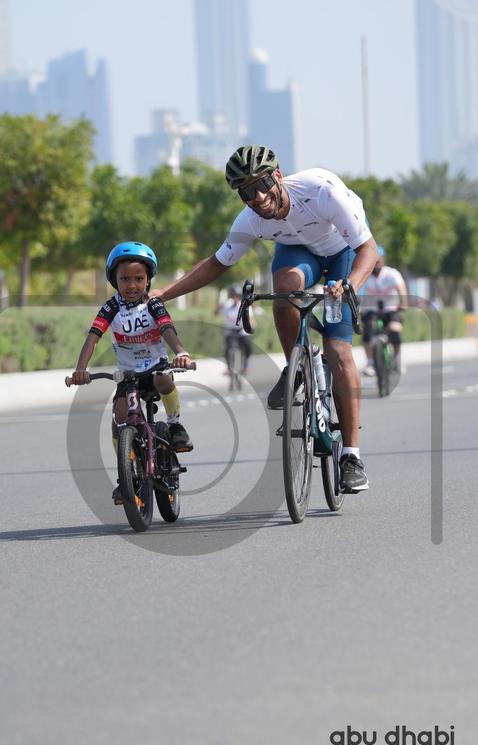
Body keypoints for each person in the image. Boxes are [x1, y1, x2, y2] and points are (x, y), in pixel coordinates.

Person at [155, 145, 380, 493]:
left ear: (277, 176)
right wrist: (163, 294)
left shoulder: (322, 191)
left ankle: (351, 457)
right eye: (246, 192)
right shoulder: (250, 220)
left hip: (343, 252)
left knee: (338, 350)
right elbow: (216, 264)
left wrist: (349, 284)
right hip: (299, 252)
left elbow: (369, 249)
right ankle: (296, 367)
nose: (257, 197)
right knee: (283, 288)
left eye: (261, 185)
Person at [70, 241, 195, 505]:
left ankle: (174, 424)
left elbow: (167, 329)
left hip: (156, 367)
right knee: (118, 419)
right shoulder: (110, 308)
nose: (132, 285)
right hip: (128, 375)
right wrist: (81, 369)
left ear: (148, 280)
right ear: (114, 280)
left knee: (163, 379)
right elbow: (93, 337)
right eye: (124, 279)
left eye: (139, 279)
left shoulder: (154, 305)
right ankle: (126, 476)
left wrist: (181, 352)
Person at [360, 245, 408, 376]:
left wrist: (403, 303)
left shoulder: (391, 274)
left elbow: (401, 288)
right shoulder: (365, 275)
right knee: (367, 331)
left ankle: (396, 359)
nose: (377, 262)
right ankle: (370, 363)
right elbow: (359, 292)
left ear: (383, 259)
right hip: (372, 311)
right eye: (374, 260)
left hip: (391, 310)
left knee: (395, 330)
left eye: (379, 259)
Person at [216, 284, 255, 375]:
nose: (235, 298)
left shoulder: (244, 305)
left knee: (247, 346)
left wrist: (252, 326)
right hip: (231, 330)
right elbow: (216, 313)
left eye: (237, 295)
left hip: (242, 330)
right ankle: (229, 367)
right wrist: (220, 306)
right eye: (233, 295)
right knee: (229, 348)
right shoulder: (227, 305)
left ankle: (245, 366)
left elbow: (251, 319)